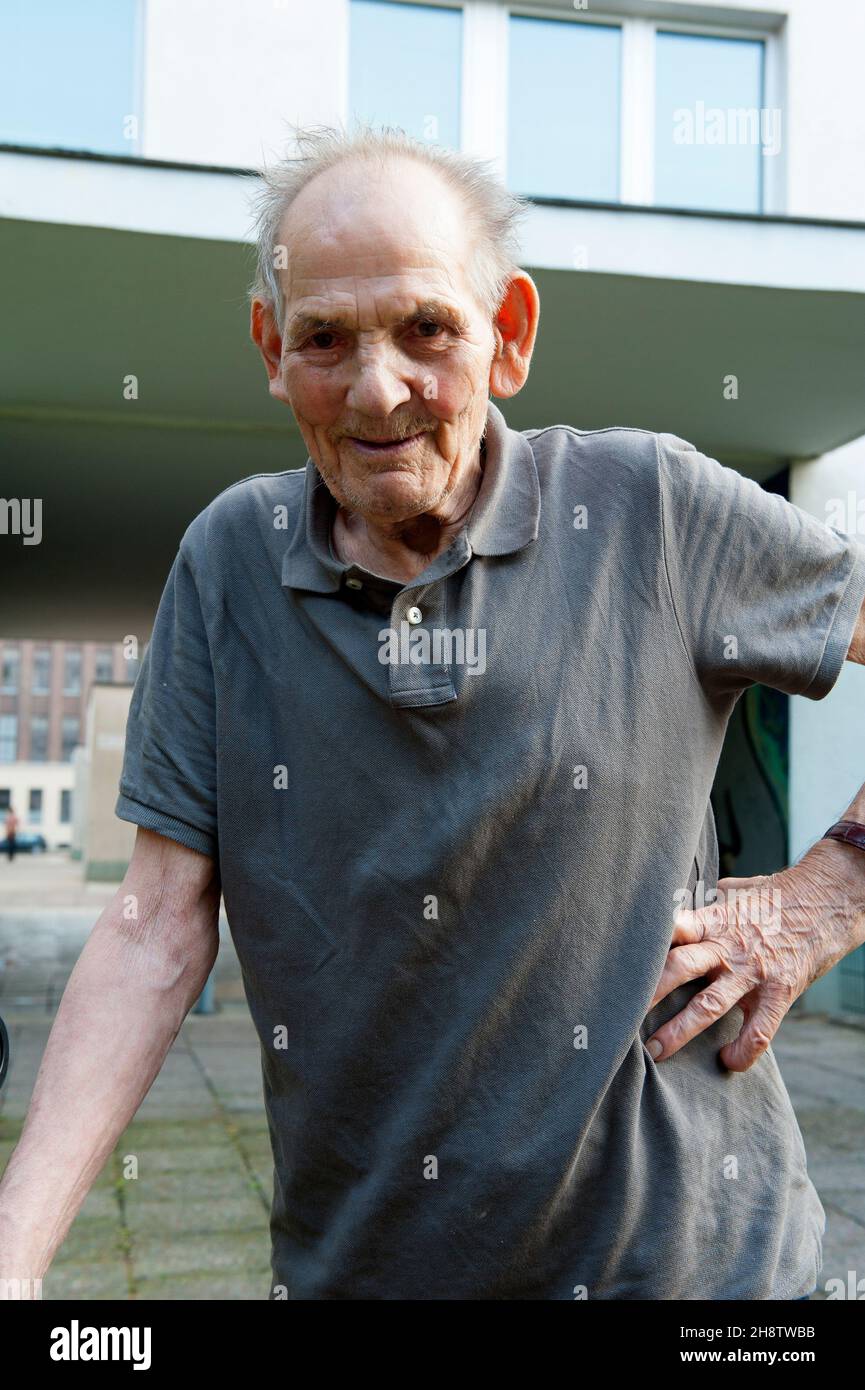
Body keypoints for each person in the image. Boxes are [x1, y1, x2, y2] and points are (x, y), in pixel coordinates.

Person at [2, 126, 865, 1301]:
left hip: (703, 1283)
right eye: (325, 338)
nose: (376, 388)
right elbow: (154, 924)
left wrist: (831, 891)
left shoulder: (646, 511)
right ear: (270, 346)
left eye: (426, 329)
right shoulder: (228, 564)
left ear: (508, 334)